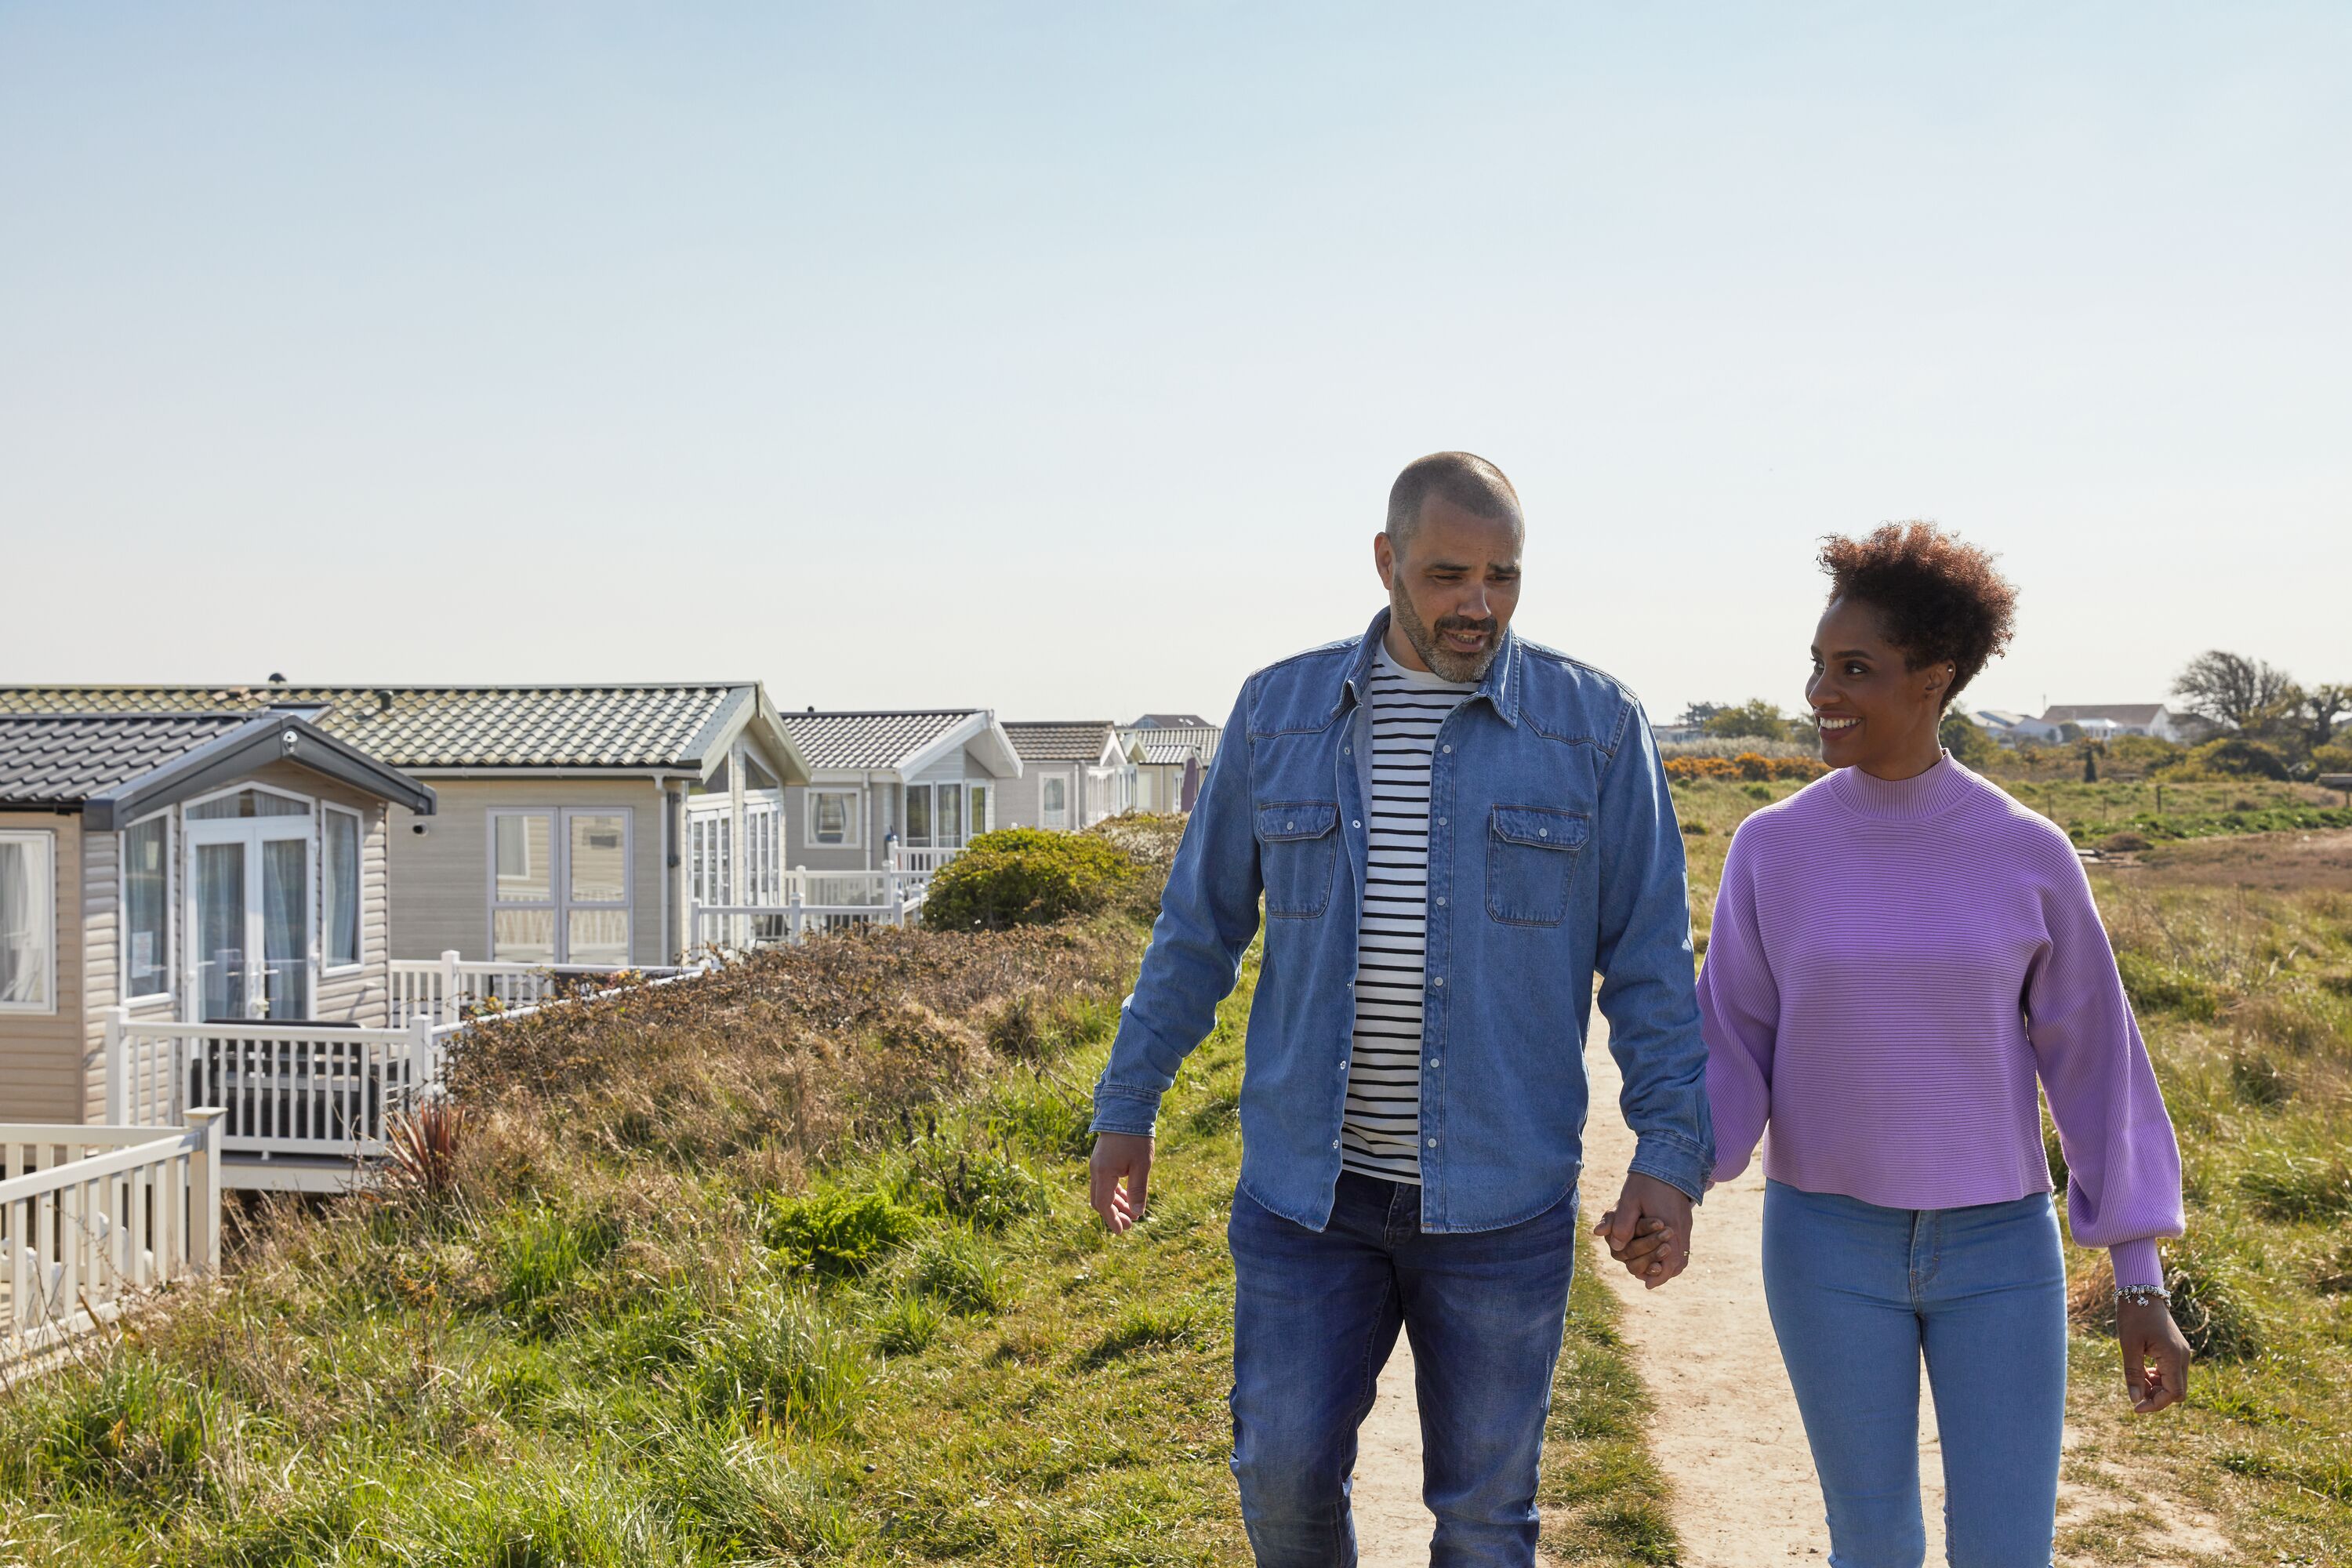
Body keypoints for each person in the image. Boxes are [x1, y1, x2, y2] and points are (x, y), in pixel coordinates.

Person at [1087, 451, 1713, 1566]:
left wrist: (1668, 1152)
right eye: (1447, 575)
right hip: (1305, 1201)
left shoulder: (1596, 727)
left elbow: (1652, 965)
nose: (1479, 604)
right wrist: (1129, 1103)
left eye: (1502, 576)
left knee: (1484, 1517)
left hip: (1502, 1204)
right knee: (1280, 1482)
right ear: (1386, 561)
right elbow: (1197, 932)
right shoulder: (1278, 713)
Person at [1697, 521, 2192, 1566]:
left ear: (1933, 679)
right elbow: (1731, 1041)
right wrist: (1672, 1177)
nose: (1821, 692)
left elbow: (2098, 1067)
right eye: (1818, 665)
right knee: (1872, 1544)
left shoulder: (2028, 851)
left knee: (2008, 1551)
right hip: (1825, 1245)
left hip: (1999, 1254)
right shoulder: (1770, 848)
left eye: (1855, 669)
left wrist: (2139, 1278)